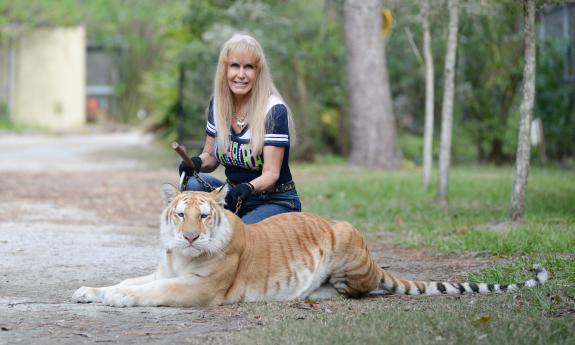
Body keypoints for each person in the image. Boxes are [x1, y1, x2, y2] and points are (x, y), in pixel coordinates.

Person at [179, 33, 301, 224]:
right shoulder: (218, 104)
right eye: (235, 66)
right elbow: (210, 156)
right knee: (193, 183)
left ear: (258, 72)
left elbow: (271, 174)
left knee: (241, 235)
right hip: (233, 196)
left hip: (275, 200)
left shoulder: (274, 110)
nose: (241, 74)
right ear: (225, 69)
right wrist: (195, 162)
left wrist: (248, 188)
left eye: (249, 67)